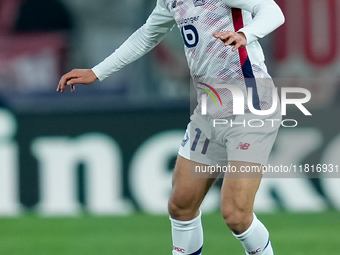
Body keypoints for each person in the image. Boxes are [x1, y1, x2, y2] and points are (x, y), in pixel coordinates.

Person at [57, 0, 284, 254]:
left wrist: (245, 34)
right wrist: (97, 72)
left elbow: (272, 11)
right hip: (211, 107)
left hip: (251, 105)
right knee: (181, 204)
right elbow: (147, 35)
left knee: (236, 215)